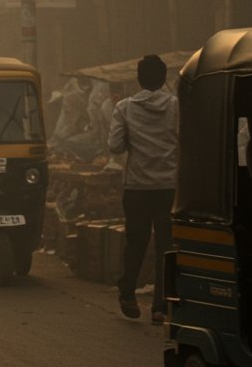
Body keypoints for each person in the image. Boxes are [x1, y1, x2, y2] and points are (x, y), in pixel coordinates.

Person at [109, 55, 179, 324]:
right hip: (168, 187)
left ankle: (128, 291)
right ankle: (160, 306)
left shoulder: (124, 108)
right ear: (163, 79)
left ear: (138, 80)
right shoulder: (176, 107)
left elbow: (115, 146)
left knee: (136, 242)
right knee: (165, 245)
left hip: (137, 187)